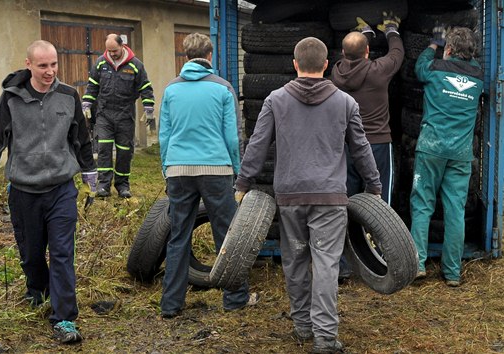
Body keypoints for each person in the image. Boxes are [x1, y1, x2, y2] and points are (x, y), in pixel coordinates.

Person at [235, 37, 381, 353]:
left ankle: (303, 326)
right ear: (327, 64)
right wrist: (374, 187)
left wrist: (243, 184)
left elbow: (257, 144)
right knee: (327, 263)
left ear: (295, 64)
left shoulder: (275, 100)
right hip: (329, 199)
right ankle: (325, 338)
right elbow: (361, 148)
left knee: (296, 259)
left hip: (290, 198)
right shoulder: (345, 102)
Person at [0, 40, 97, 344]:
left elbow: (81, 137)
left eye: (54, 64)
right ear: (29, 65)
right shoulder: (12, 99)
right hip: (24, 190)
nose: (50, 71)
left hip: (61, 189)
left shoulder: (68, 96)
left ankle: (64, 318)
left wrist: (90, 172)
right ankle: (37, 289)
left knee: (63, 254)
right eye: (43, 65)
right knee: (31, 255)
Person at [158, 33, 257, 318]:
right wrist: (236, 170)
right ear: (210, 56)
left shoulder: (171, 90)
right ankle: (235, 298)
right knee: (226, 235)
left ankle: (170, 304)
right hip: (216, 169)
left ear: (185, 56)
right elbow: (232, 136)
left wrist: (167, 168)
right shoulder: (223, 89)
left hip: (178, 171)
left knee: (179, 236)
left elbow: (164, 136)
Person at [331, 12, 404, 281]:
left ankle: (342, 264)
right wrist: (392, 29)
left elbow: (353, 59)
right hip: (376, 146)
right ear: (368, 52)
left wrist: (366, 34)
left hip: (345, 147)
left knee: (343, 202)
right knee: (379, 202)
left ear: (342, 52)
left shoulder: (335, 73)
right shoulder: (377, 71)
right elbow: (397, 54)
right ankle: (382, 261)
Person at [410, 26, 483, 287]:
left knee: (422, 204)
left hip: (432, 147)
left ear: (449, 50)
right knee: (455, 211)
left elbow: (420, 67)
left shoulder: (435, 69)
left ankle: (417, 264)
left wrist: (434, 44)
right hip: (461, 153)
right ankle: (452, 272)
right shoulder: (479, 76)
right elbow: (469, 61)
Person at [82, 33, 155, 198]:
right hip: (104, 114)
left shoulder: (136, 65)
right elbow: (92, 85)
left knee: (124, 151)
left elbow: (145, 86)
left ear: (122, 46)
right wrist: (86, 102)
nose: (112, 54)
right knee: (104, 149)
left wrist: (148, 106)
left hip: (125, 115)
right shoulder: (101, 63)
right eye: (109, 50)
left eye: (114, 50)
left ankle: (122, 185)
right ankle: (103, 185)